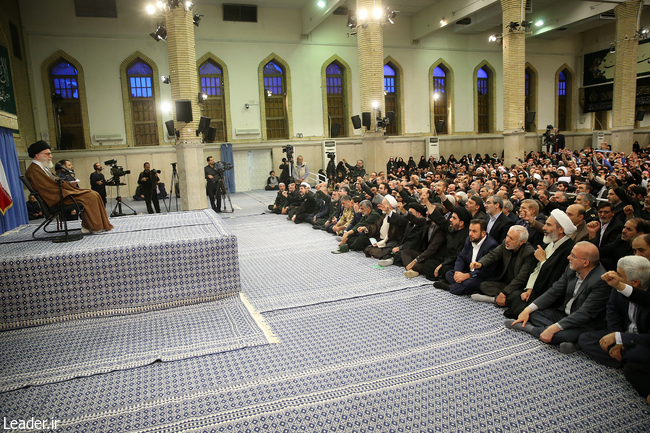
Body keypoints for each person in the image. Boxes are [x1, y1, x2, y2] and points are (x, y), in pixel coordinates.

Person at [506, 241, 610, 354]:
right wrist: (527, 309)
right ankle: (570, 340)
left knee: (560, 334)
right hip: (564, 314)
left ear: (585, 263)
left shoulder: (601, 281)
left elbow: (585, 313)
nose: (568, 257)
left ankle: (530, 329)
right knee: (534, 313)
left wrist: (554, 328)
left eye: (573, 256)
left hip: (585, 323)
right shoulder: (571, 269)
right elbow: (554, 291)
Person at [24, 140, 112, 234]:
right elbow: (46, 188)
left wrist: (69, 185)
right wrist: (68, 189)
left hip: (61, 193)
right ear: (38, 155)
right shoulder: (34, 170)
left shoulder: (42, 167)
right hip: (56, 198)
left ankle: (93, 225)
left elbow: (54, 181)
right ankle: (93, 227)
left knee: (94, 193)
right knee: (90, 196)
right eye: (48, 154)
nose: (51, 156)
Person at [578, 256, 650, 367]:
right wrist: (617, 341)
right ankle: (624, 360)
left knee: (636, 354)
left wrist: (620, 337)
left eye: (619, 275)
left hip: (640, 341)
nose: (614, 276)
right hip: (624, 334)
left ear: (635, 282)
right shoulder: (618, 287)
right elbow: (612, 312)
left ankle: (626, 361)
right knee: (586, 338)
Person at [470, 226, 537, 306]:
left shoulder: (529, 253)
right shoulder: (505, 244)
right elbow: (493, 255)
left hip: (519, 287)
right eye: (507, 236)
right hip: (506, 283)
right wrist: (480, 263)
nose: (507, 240)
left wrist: (504, 293)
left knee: (518, 296)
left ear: (521, 242)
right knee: (484, 285)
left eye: (511, 238)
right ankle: (501, 299)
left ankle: (494, 299)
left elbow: (521, 278)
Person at [435, 218, 499, 295]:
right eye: (470, 230)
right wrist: (457, 272)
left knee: (471, 283)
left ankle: (450, 287)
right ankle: (459, 286)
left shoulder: (491, 245)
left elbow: (487, 270)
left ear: (483, 233)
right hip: (468, 271)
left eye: (474, 231)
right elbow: (461, 257)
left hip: (481, 276)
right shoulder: (469, 239)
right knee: (449, 273)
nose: (470, 234)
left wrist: (467, 276)